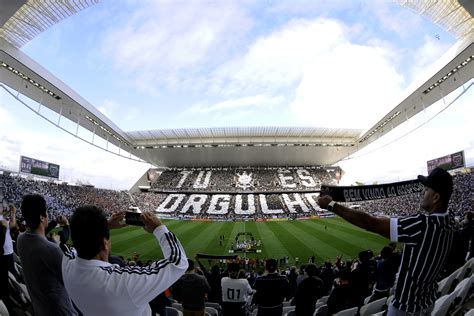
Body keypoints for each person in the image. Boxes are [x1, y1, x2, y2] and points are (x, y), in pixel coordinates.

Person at [318, 167, 455, 315]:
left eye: (427, 189)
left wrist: (331, 205)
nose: (423, 193)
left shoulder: (423, 225)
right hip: (428, 302)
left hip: (406, 307)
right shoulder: (450, 221)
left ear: (435, 198)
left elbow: (371, 224)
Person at [62, 206, 188, 316]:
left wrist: (103, 227)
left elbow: (75, 244)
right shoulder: (124, 283)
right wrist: (159, 228)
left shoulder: (67, 263)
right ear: (105, 244)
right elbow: (178, 263)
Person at [16, 194, 79, 316]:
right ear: (42, 217)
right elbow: (72, 283)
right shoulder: (51, 249)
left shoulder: (20, 239)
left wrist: (55, 222)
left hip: (40, 309)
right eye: (46, 211)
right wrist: (63, 231)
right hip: (61, 311)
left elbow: (37, 235)